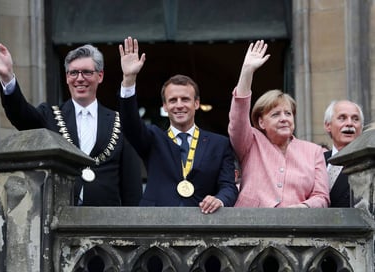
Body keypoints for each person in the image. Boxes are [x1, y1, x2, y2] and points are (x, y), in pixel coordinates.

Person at [0, 41, 142, 206]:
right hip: (59, 217)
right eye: (73, 73)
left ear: (100, 76)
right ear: (67, 77)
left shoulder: (118, 122)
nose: (79, 78)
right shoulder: (50, 116)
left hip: (106, 222)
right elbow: (20, 115)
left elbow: (131, 184)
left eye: (86, 72)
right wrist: (7, 77)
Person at [118, 37, 238, 214]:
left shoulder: (219, 144)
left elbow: (229, 187)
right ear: (165, 107)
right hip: (156, 225)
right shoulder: (152, 139)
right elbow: (130, 124)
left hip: (202, 225)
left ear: (196, 104)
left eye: (185, 99)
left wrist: (219, 199)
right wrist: (129, 80)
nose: (179, 105)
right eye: (172, 100)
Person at [228, 40, 330, 208]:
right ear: (261, 122)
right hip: (252, 226)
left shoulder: (314, 152)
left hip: (296, 227)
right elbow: (237, 118)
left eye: (288, 113)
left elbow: (321, 196)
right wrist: (246, 72)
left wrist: (300, 209)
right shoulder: (251, 142)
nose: (284, 118)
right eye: (275, 114)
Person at [323, 100, 364, 207]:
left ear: (361, 127)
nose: (350, 123)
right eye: (342, 118)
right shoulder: (316, 160)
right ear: (328, 125)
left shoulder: (369, 162)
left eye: (355, 119)